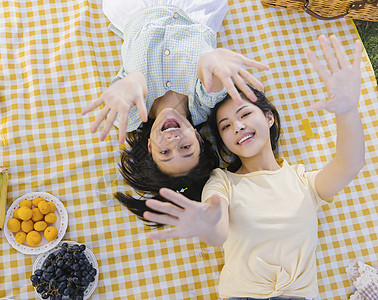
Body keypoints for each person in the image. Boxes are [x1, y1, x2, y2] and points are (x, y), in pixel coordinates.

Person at [142, 35, 365, 299]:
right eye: (225, 126)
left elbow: (348, 164)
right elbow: (218, 228)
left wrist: (348, 111)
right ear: (223, 140)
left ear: (268, 117)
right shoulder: (222, 181)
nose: (237, 126)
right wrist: (206, 223)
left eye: (245, 114)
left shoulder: (303, 181)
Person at [81, 2, 269, 220]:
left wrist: (130, 83)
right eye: (186, 147)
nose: (172, 140)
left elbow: (135, 84)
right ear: (198, 137)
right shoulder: (202, 105)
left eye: (165, 152)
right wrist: (214, 60)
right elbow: (210, 71)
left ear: (150, 146)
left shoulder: (131, 115)